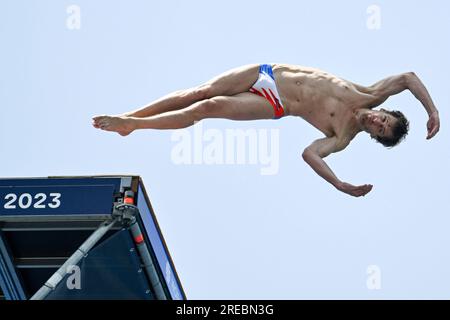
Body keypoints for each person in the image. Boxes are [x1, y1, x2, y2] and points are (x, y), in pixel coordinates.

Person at [92, 63, 440, 197]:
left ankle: (134, 125)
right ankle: (129, 117)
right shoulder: (372, 91)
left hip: (275, 104)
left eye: (381, 131)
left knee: (206, 109)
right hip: (270, 74)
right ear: (383, 110)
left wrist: (339, 184)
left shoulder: (343, 136)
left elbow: (309, 153)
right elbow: (408, 77)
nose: (378, 124)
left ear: (374, 138)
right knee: (200, 92)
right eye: (384, 120)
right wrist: (432, 110)